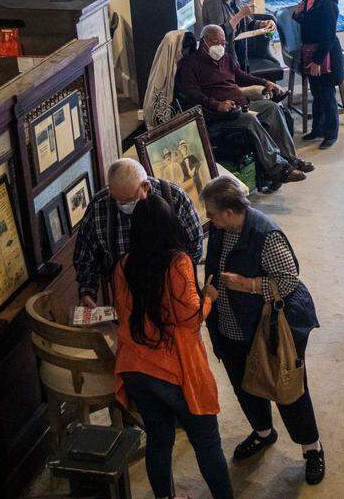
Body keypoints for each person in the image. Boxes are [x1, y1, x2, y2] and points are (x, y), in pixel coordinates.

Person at [199, 176, 326, 485]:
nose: (209, 220)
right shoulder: (222, 230)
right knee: (244, 385)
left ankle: (312, 448)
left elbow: (289, 280)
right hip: (231, 327)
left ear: (229, 212)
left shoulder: (265, 234)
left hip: (268, 330)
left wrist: (249, 284)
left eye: (212, 214)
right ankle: (263, 432)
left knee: (287, 388)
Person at [113, 193, 233, 499]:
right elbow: (190, 318)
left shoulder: (124, 265)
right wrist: (209, 298)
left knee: (159, 439)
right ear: (169, 225)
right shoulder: (177, 263)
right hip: (175, 371)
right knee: (207, 441)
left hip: (136, 366)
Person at [175, 24, 311, 187]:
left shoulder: (225, 58)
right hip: (219, 115)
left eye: (223, 43)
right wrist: (217, 105)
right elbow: (192, 94)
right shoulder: (190, 64)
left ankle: (291, 159)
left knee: (272, 108)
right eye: (215, 42)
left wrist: (266, 82)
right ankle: (279, 169)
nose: (220, 46)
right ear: (204, 42)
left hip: (241, 105)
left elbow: (242, 76)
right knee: (249, 120)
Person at [72, 158, 203, 307]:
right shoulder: (99, 206)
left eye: (128, 200)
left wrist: (180, 281)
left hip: (173, 294)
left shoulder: (175, 198)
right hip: (127, 299)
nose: (122, 206)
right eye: (118, 200)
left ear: (145, 186)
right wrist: (87, 291)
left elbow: (195, 245)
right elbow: (85, 256)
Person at [292, 0, 344, 149]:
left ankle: (331, 133)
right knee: (316, 92)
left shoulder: (328, 4)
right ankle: (318, 129)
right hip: (310, 49)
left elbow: (328, 35)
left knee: (326, 94)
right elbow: (306, 21)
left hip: (325, 54)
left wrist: (316, 61)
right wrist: (297, 14)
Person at [201, 0, 277, 69]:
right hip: (222, 56)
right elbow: (219, 33)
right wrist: (240, 14)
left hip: (238, 50)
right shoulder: (214, 0)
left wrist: (263, 24)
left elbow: (248, 23)